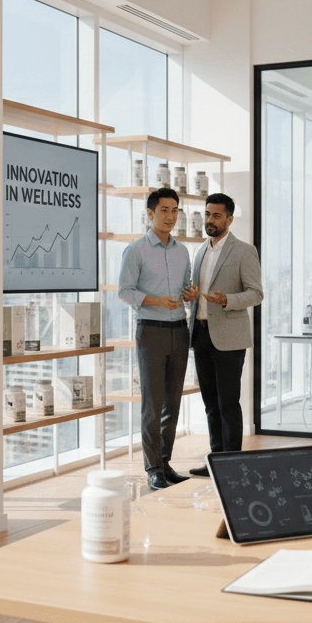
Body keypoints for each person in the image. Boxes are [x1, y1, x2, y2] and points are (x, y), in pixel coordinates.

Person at [118, 187, 200, 490]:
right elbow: (124, 291)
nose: (170, 216)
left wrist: (190, 295)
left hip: (180, 330)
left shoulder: (182, 252)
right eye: (164, 210)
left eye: (175, 210)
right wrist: (155, 301)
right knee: (152, 404)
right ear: (150, 214)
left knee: (172, 404)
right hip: (150, 331)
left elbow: (186, 291)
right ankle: (152, 468)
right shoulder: (136, 250)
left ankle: (165, 463)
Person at [186, 193, 263, 476]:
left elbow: (256, 294)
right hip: (201, 334)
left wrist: (227, 300)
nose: (210, 220)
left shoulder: (244, 251)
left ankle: (233, 464)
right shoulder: (199, 252)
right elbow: (197, 293)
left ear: (229, 219)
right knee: (209, 403)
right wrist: (190, 295)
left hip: (229, 337)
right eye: (208, 214)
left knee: (228, 402)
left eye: (217, 216)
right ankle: (215, 461)